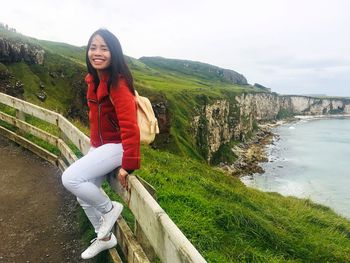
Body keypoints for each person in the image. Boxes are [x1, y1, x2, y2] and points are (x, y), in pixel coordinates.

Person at [62, 28, 140, 259]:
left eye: (104, 48)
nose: (97, 53)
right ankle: (105, 238)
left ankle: (110, 209)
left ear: (113, 53)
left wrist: (129, 164)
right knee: (82, 194)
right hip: (101, 146)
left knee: (70, 178)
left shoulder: (118, 83)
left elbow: (130, 126)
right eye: (93, 47)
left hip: (118, 147)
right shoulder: (94, 80)